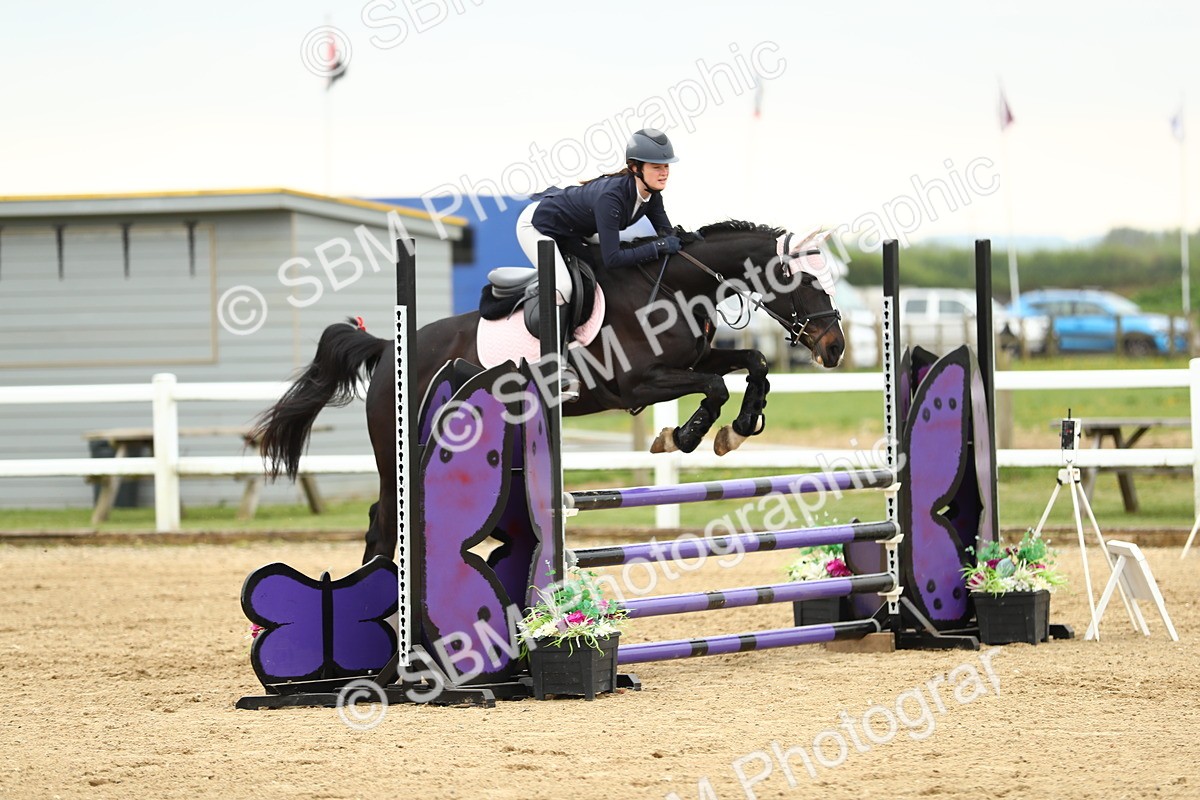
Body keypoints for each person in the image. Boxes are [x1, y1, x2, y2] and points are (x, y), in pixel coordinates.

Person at [515, 128, 683, 399]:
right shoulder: (613, 197)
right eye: (656, 167)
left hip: (572, 230)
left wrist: (691, 241)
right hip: (537, 226)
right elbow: (613, 257)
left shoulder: (652, 197)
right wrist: (659, 246)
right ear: (635, 168)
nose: (664, 172)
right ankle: (554, 367)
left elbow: (668, 235)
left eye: (666, 166)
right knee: (564, 287)